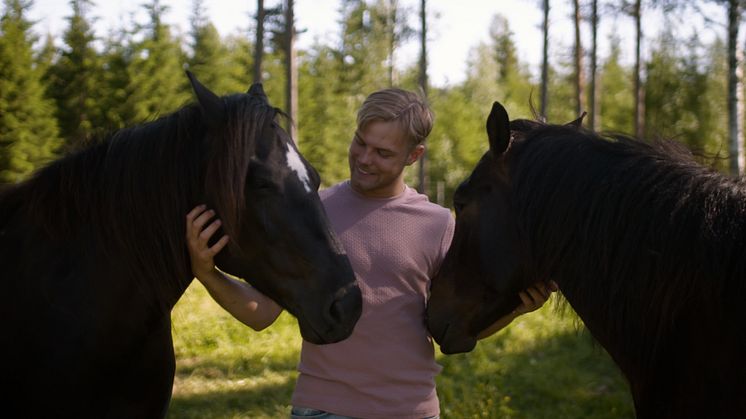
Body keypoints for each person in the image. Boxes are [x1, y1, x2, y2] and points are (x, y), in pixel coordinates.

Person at [185, 88, 557, 419]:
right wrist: (208, 274)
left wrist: (516, 310)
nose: (364, 158)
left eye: (382, 152)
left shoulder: (438, 224)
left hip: (411, 410)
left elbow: (454, 327)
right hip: (322, 408)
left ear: (414, 155)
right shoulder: (316, 211)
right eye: (360, 142)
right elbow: (261, 314)